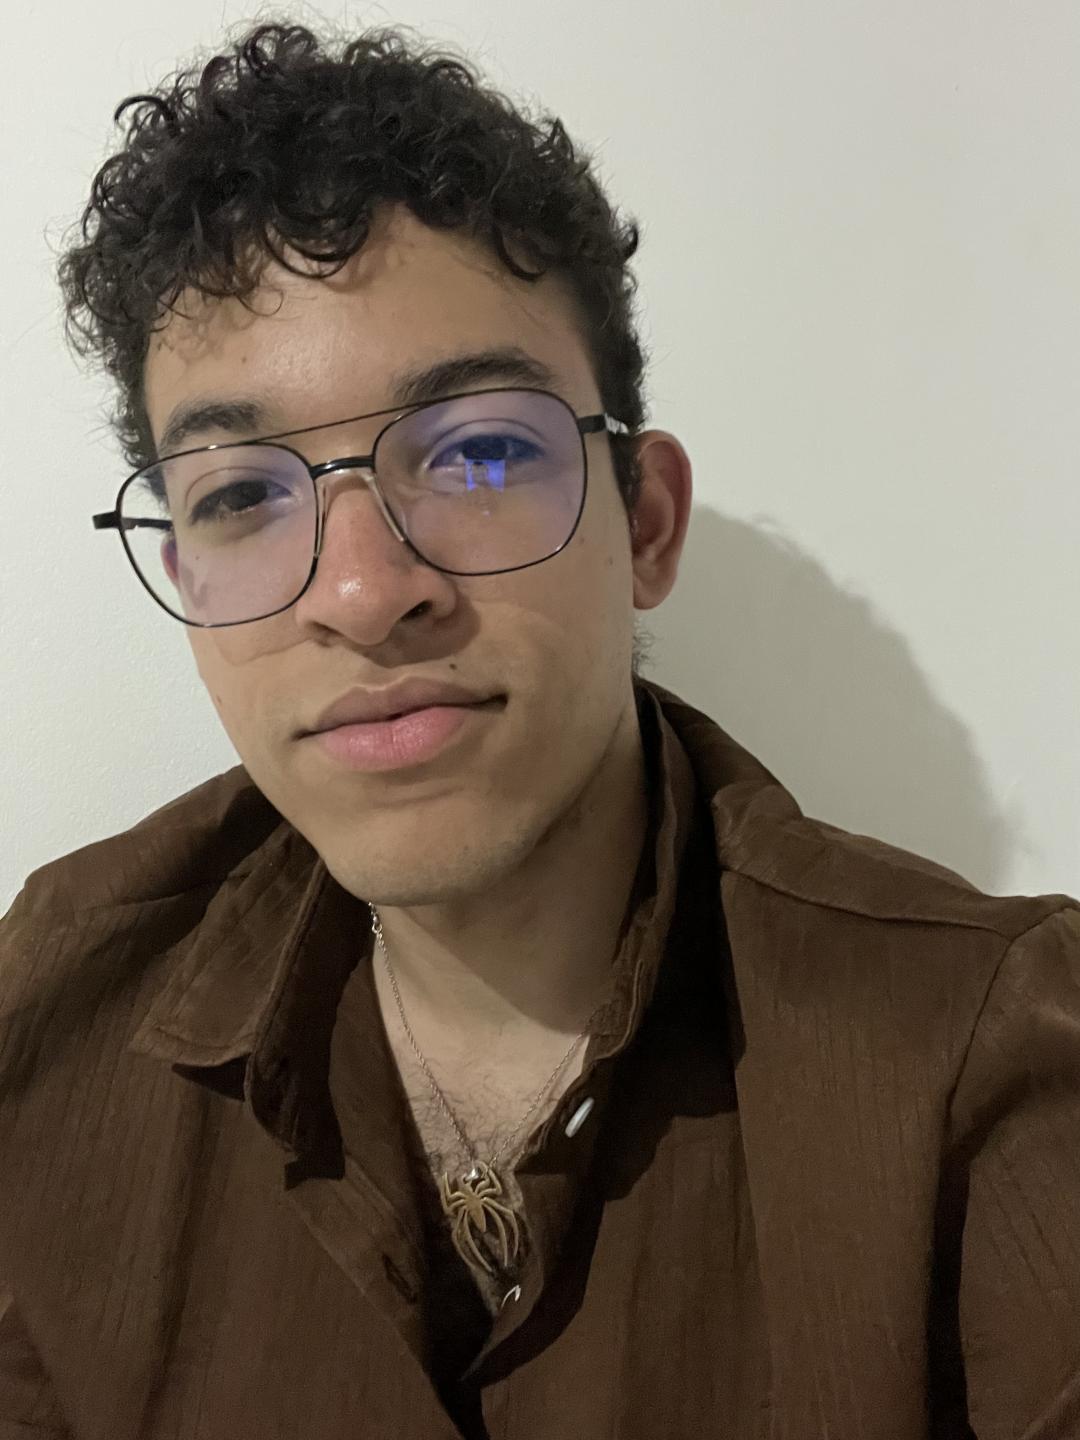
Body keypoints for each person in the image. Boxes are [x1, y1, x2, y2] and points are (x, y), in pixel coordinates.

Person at [1, 20, 1077, 1440]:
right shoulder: (53, 1018)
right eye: (242, 495)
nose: (363, 593)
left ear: (647, 524)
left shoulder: (987, 1065)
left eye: (477, 453)